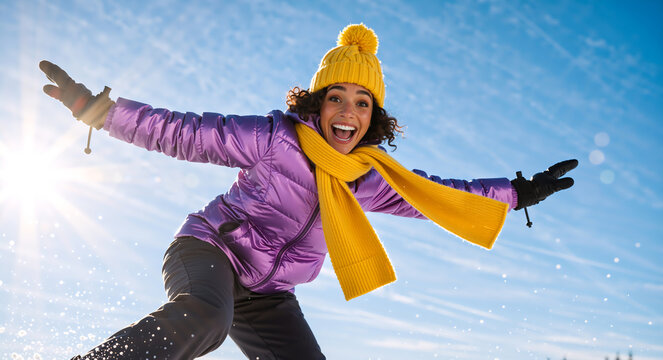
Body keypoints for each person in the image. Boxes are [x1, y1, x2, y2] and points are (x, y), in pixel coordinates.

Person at [40, 24, 577, 360]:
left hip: (271, 293)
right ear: (317, 103)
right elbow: (183, 132)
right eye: (337, 98)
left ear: (374, 117)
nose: (348, 112)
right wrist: (100, 111)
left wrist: (514, 193)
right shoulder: (276, 138)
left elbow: (434, 194)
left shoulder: (368, 178)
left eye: (363, 102)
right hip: (211, 252)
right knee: (206, 318)